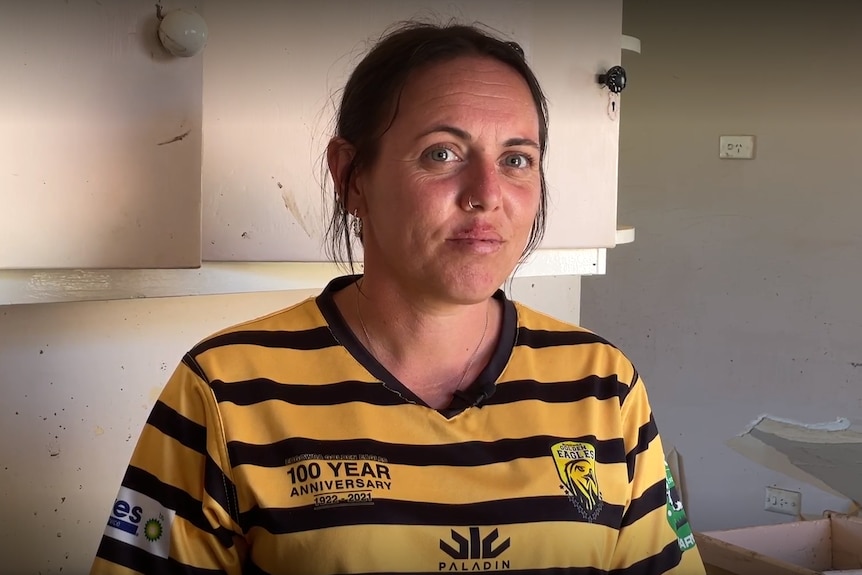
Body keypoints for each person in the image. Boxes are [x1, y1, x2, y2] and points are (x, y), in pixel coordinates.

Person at [90, 21, 706, 575]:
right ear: (351, 176)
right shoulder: (225, 390)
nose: (487, 194)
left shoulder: (602, 383)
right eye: (443, 154)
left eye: (517, 159)